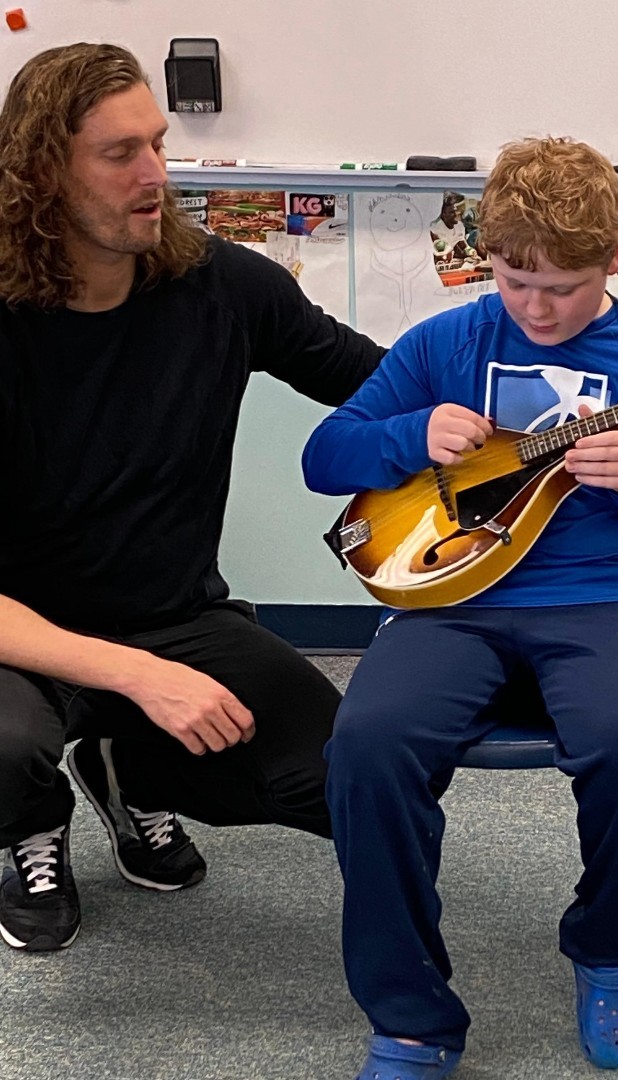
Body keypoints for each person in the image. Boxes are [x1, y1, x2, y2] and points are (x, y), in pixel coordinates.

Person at [302, 136, 618, 1077]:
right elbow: (323, 458)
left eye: (564, 288)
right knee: (366, 746)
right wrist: (408, 434)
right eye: (515, 283)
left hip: (605, 598)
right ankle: (409, 1016)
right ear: (489, 260)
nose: (537, 309)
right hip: (448, 604)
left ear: (614, 260)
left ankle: (608, 948)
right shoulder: (444, 343)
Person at [0, 43, 385, 953]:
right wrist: (139, 677)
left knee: (347, 780)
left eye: (158, 145)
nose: (156, 176)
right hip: (22, 637)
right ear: (42, 171)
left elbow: (385, 384)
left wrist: (554, 394)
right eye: (119, 153)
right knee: (6, 751)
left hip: (174, 616)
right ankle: (30, 825)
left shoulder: (224, 285)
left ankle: (132, 775)